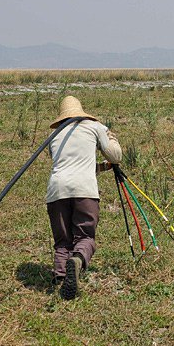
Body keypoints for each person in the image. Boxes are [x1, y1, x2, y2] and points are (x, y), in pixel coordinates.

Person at [46, 95, 122, 300]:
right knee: (85, 236)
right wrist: (111, 137)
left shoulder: (53, 135)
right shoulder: (94, 127)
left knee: (62, 241)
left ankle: (61, 278)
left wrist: (101, 168)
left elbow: (69, 164)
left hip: (57, 191)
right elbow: (116, 156)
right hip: (85, 190)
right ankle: (78, 259)